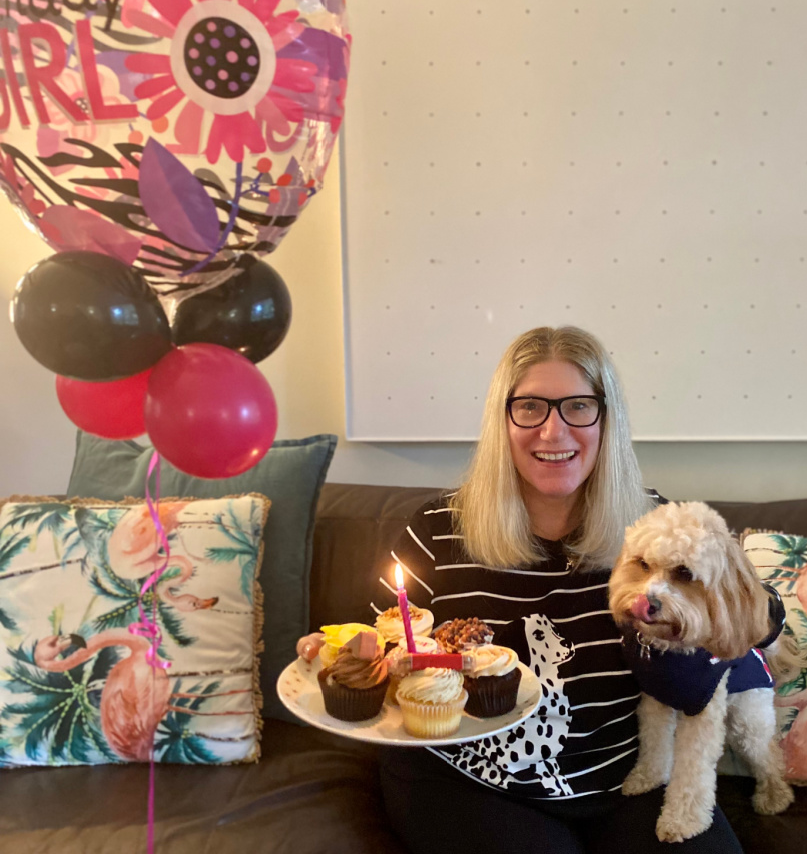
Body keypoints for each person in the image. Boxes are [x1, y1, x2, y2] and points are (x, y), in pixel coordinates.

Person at [298, 326, 744, 854]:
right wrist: (333, 651)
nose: (553, 432)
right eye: (530, 407)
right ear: (502, 421)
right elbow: (378, 642)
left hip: (629, 780)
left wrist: (752, 617)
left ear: (608, 419)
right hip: (466, 780)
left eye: (578, 406)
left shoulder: (656, 531)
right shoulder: (437, 531)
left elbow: (738, 618)